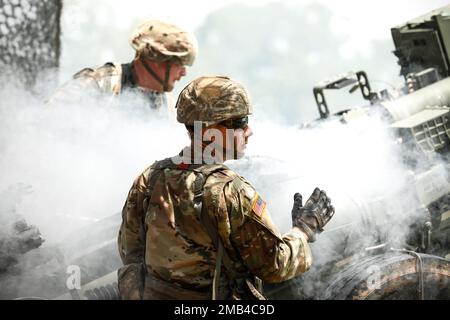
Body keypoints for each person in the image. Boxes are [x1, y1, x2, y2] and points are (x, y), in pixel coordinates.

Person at [117, 76, 335, 300]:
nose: (249, 131)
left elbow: (130, 253)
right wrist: (305, 229)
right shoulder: (232, 191)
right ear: (211, 127)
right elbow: (275, 266)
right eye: (240, 122)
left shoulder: (149, 179)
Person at [48, 19, 197, 111]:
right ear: (157, 58)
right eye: (179, 64)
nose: (183, 73)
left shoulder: (169, 107)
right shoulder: (99, 83)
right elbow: (46, 121)